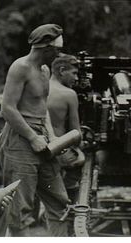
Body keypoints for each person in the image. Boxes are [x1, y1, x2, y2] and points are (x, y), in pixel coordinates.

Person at [0, 24, 70, 237]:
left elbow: (42, 107)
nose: (59, 54)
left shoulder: (45, 70)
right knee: (19, 209)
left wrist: (52, 136)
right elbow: (7, 108)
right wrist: (31, 137)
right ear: (45, 48)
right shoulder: (20, 67)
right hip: (20, 140)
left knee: (60, 201)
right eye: (56, 50)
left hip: (42, 138)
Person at [48, 54, 85, 203]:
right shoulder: (69, 94)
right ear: (62, 70)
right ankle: (69, 201)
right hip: (60, 152)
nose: (76, 79)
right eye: (74, 73)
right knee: (80, 161)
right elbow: (76, 133)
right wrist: (83, 147)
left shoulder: (39, 89)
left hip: (39, 147)